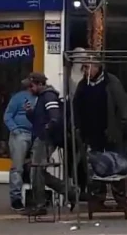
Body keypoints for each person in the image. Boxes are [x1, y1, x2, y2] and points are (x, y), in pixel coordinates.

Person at [73, 59, 127, 209]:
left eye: (87, 67)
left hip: (111, 132)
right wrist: (78, 127)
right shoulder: (83, 84)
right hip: (91, 134)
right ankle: (98, 200)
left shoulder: (111, 82)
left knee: (117, 166)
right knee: (96, 168)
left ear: (97, 67)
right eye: (83, 68)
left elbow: (122, 106)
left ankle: (121, 200)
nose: (85, 71)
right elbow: (76, 107)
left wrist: (119, 128)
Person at [24, 72, 77, 216]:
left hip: (44, 140)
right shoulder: (42, 97)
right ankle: (71, 192)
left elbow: (55, 117)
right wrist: (30, 113)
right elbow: (41, 120)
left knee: (36, 171)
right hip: (42, 138)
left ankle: (40, 205)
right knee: (38, 172)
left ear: (40, 84)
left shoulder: (48, 97)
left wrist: (45, 131)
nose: (29, 89)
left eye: (31, 86)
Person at [3, 79, 34, 212]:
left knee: (36, 168)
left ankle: (35, 197)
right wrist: (15, 130)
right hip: (20, 134)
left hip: (35, 135)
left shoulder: (40, 98)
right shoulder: (18, 98)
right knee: (18, 168)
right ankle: (16, 199)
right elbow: (7, 115)